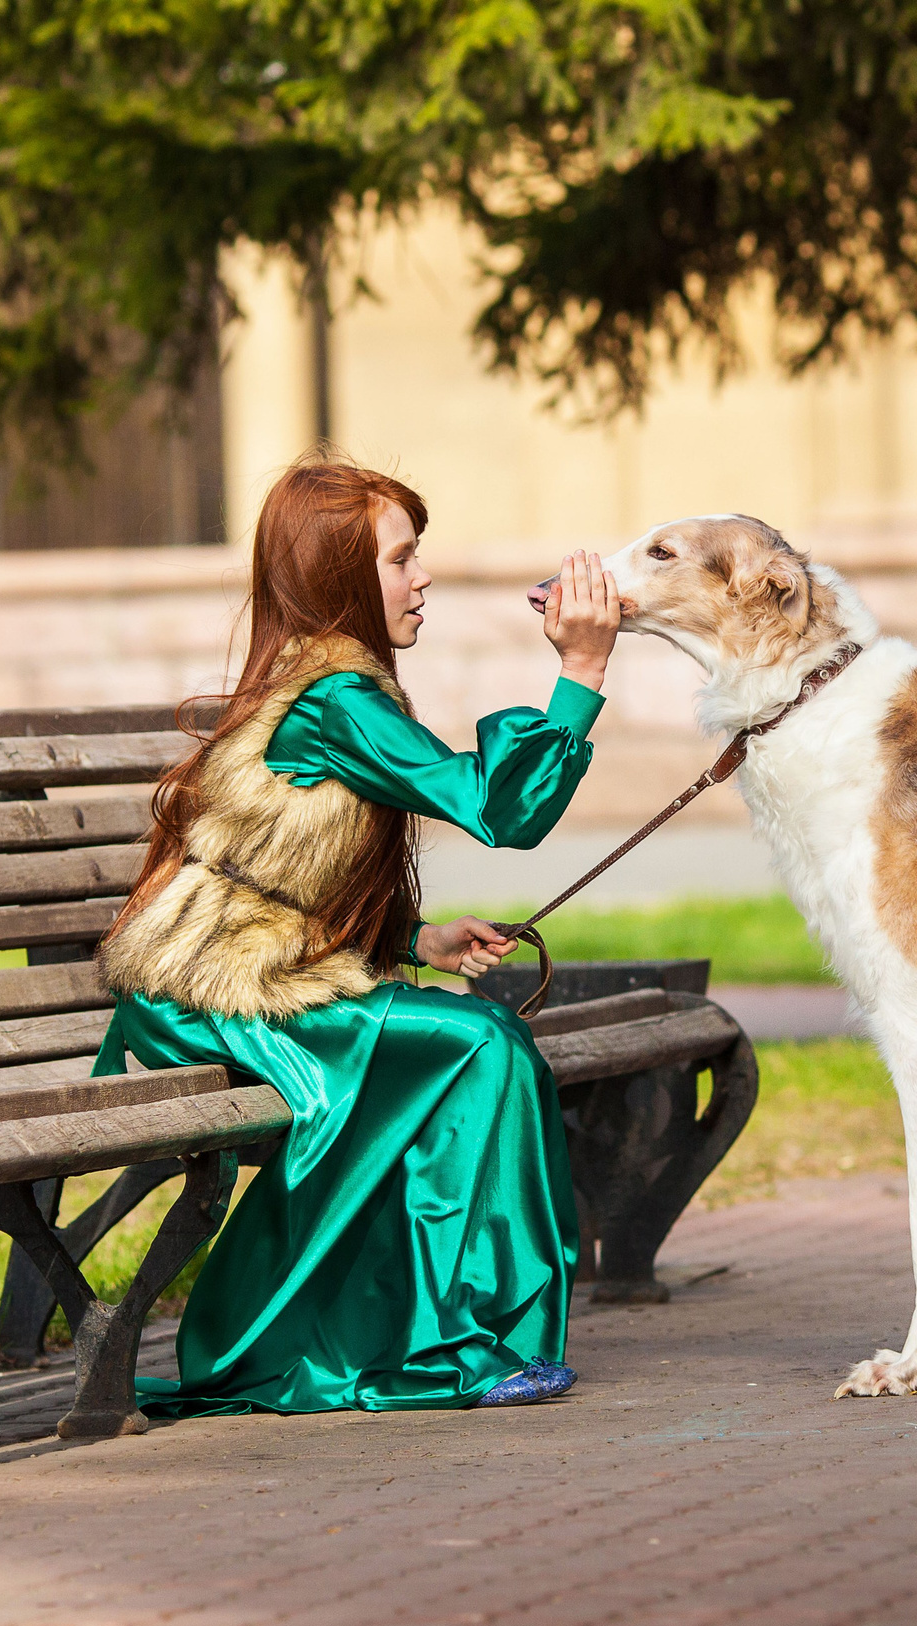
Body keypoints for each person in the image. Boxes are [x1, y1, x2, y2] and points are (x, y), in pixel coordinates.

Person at [91, 453, 621, 1412]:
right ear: (339, 575)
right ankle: (457, 1342)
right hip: (215, 995)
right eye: (400, 558)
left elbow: (288, 881)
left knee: (472, 1041)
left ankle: (441, 1334)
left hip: (252, 974)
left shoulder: (336, 690)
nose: (422, 580)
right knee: (478, 1045)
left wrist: (418, 942)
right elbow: (497, 807)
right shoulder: (337, 698)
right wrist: (581, 667)